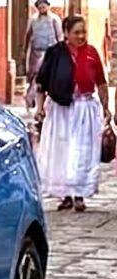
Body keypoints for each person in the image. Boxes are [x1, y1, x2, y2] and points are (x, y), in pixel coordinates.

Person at [35, 14, 111, 212]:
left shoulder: (92, 53)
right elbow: (41, 83)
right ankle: (65, 194)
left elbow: (101, 83)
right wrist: (39, 109)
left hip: (85, 108)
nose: (81, 36)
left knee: (82, 150)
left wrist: (106, 108)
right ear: (66, 33)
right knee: (63, 150)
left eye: (83, 32)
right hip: (61, 109)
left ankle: (79, 194)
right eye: (76, 32)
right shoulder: (55, 53)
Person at [25, 0, 64, 111]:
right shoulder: (33, 20)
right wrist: (25, 50)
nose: (42, 8)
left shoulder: (54, 19)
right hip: (36, 52)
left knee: (50, 77)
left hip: (51, 53)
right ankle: (31, 99)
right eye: (40, 6)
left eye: (44, 6)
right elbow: (28, 35)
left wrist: (61, 52)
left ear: (48, 6)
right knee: (36, 76)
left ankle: (47, 102)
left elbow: (59, 36)